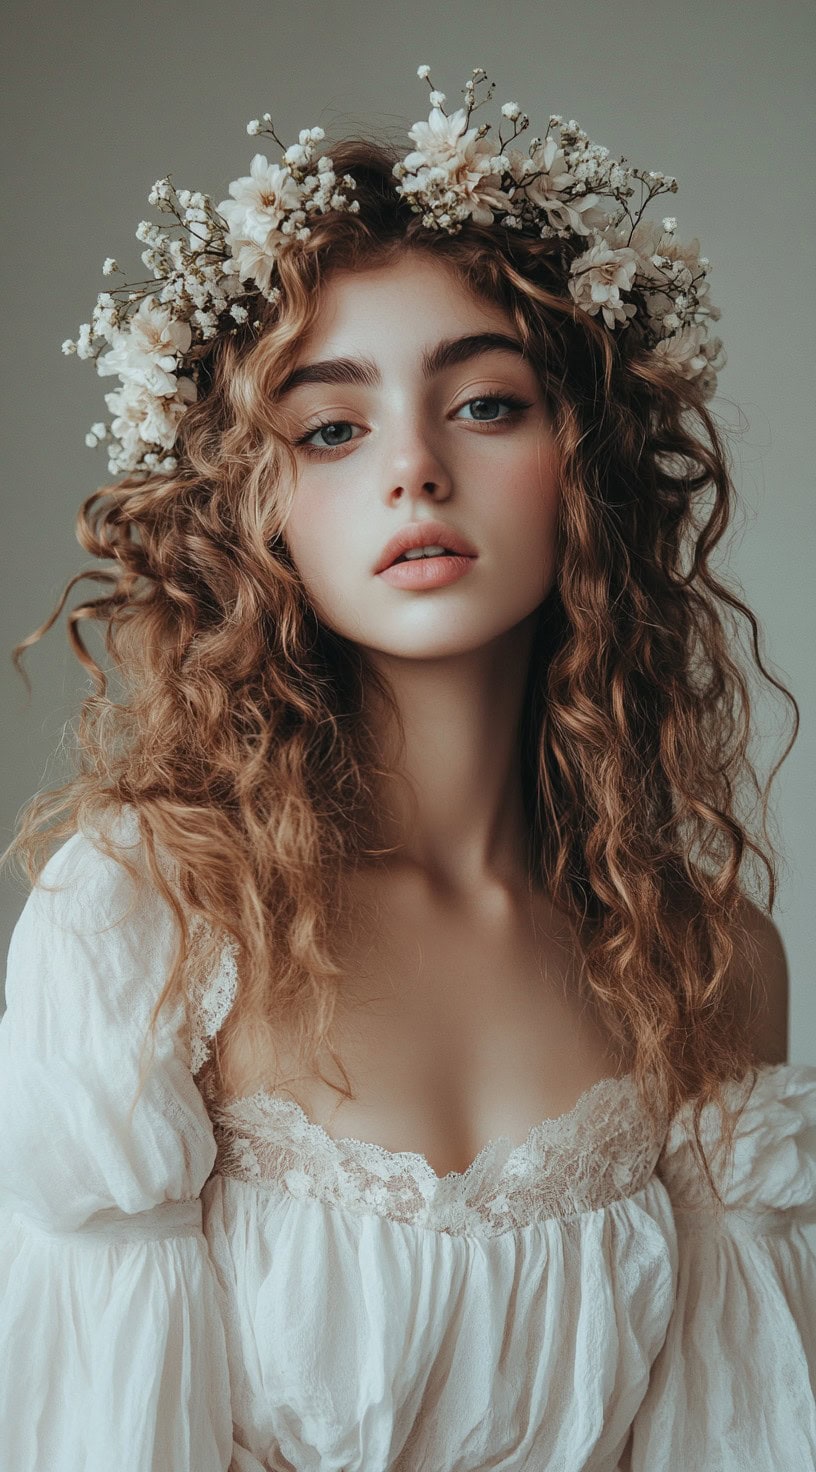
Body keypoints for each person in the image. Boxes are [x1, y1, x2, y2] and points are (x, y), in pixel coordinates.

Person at [1, 63, 814, 1472]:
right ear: (254, 517)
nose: (413, 471)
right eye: (332, 429)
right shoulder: (155, 917)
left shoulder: (706, 959)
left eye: (487, 404)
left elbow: (732, 1433)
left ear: (590, 462)